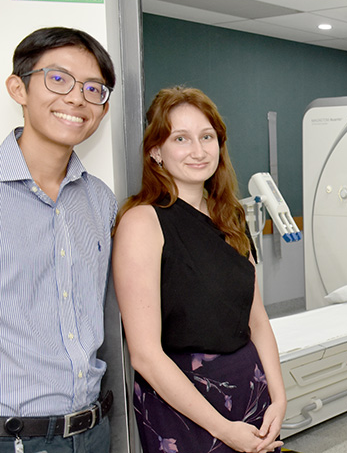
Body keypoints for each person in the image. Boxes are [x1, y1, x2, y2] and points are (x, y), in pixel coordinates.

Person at [112, 87, 286, 453]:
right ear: (155, 151)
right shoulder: (143, 222)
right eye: (181, 138)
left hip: (250, 390)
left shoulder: (232, 216)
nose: (198, 150)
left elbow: (257, 318)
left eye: (207, 137)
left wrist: (279, 396)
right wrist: (224, 429)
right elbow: (144, 354)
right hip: (184, 405)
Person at [0, 27, 116, 452]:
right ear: (19, 88)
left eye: (93, 89)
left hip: (93, 432)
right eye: (58, 79)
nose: (76, 99)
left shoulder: (101, 201)